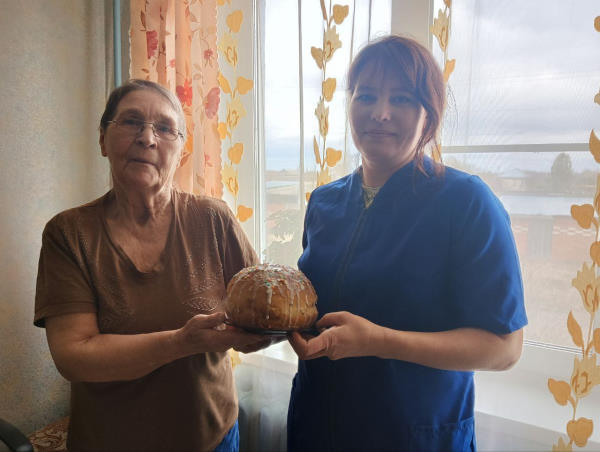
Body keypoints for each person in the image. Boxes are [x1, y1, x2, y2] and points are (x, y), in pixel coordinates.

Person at [287, 35, 527, 451]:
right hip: (317, 426)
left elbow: (504, 347)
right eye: (366, 96)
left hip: (412, 433)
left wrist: (379, 341)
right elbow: (316, 310)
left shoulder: (466, 202)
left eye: (401, 99)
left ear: (428, 115)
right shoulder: (324, 202)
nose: (380, 113)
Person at [34, 79, 270, 451]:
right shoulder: (69, 234)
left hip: (213, 438)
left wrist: (266, 333)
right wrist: (182, 342)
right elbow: (74, 357)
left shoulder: (214, 219)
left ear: (180, 150)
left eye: (164, 128)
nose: (147, 138)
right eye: (131, 121)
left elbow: (259, 311)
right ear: (102, 139)